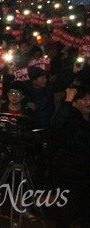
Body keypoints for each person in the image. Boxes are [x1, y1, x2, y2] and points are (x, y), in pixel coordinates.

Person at [47, 85, 90, 227]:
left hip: (83, 170)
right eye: (84, 99)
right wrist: (68, 100)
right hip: (68, 169)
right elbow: (56, 126)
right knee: (66, 209)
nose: (88, 103)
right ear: (75, 102)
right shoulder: (69, 117)